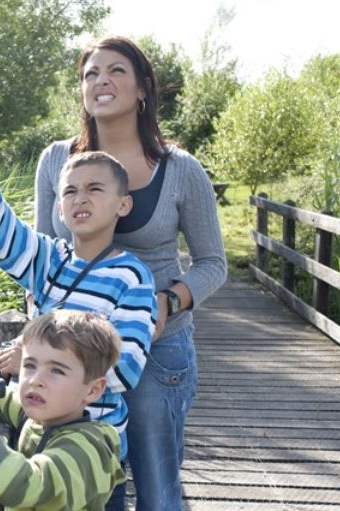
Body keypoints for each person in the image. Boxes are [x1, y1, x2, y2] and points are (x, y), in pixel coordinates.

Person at [32, 36, 228, 510]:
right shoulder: (56, 161)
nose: (101, 81)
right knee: (91, 491)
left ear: (142, 88)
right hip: (73, 362)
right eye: (90, 74)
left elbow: (213, 264)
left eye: (116, 71)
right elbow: (40, 261)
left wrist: (169, 301)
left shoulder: (181, 170)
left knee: (158, 492)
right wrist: (32, 342)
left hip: (159, 351)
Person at [0, 147, 157, 508]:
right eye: (70, 191)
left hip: (89, 442)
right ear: (59, 208)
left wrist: (32, 358)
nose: (81, 198)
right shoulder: (52, 259)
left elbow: (126, 367)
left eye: (95, 189)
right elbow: (9, 242)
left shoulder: (132, 276)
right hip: (41, 425)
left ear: (122, 205)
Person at [0, 310, 126, 510]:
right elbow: (0, 401)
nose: (36, 380)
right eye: (29, 365)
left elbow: (20, 486)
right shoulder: (40, 419)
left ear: (93, 389)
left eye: (57, 370)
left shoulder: (88, 449)